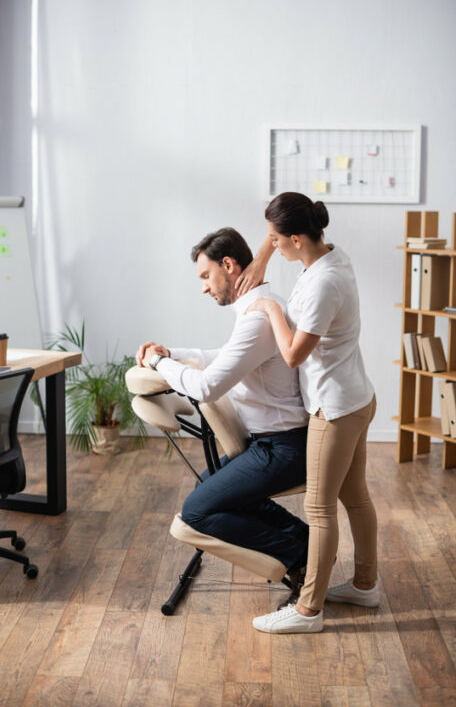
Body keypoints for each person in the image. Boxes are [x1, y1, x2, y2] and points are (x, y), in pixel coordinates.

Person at [137, 227, 309, 594]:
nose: (203, 286)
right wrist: (171, 354)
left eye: (205, 275)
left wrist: (157, 365)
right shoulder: (256, 307)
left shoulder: (258, 317)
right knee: (209, 486)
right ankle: (304, 540)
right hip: (275, 443)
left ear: (228, 265)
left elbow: (206, 386)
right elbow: (221, 357)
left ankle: (298, 555)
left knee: (198, 511)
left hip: (283, 448)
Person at [245, 192, 377, 634]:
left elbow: (294, 355)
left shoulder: (322, 284)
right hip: (357, 396)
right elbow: (284, 234)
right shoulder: (330, 256)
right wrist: (263, 256)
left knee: (319, 509)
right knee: (355, 497)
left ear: (298, 238)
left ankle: (308, 610)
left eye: (275, 240)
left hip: (335, 409)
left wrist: (268, 307)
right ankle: (365, 585)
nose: (272, 247)